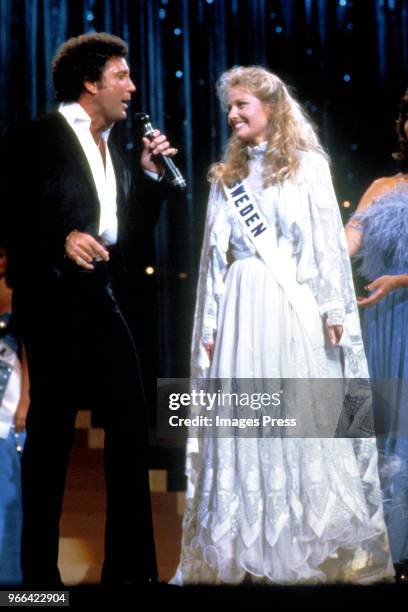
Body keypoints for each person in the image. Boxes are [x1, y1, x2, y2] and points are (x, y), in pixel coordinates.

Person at [172, 66, 393, 585]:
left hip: (292, 310)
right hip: (241, 312)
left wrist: (335, 309)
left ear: (270, 108)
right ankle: (244, 543)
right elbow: (213, 262)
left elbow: (326, 246)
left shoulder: (309, 167)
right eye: (230, 107)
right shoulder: (225, 178)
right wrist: (208, 323)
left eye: (242, 105)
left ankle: (297, 541)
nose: (233, 115)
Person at [0, 32, 178, 587]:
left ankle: (127, 574)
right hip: (51, 301)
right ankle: (38, 585)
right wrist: (58, 237)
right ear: (89, 83)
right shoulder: (36, 137)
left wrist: (149, 176)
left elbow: (129, 236)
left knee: (130, 428)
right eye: (121, 76)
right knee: (50, 440)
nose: (131, 87)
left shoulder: (114, 148)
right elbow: (7, 212)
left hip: (102, 299)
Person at [345, 90, 408, 582]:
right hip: (380, 327)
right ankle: (380, 549)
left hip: (401, 310)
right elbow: (347, 241)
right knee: (372, 432)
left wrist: (403, 280)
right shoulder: (382, 186)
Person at [0, 242, 29, 585]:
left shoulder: (21, 294)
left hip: (12, 404)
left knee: (10, 497)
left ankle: (11, 582)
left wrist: (26, 401)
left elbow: (29, 350)